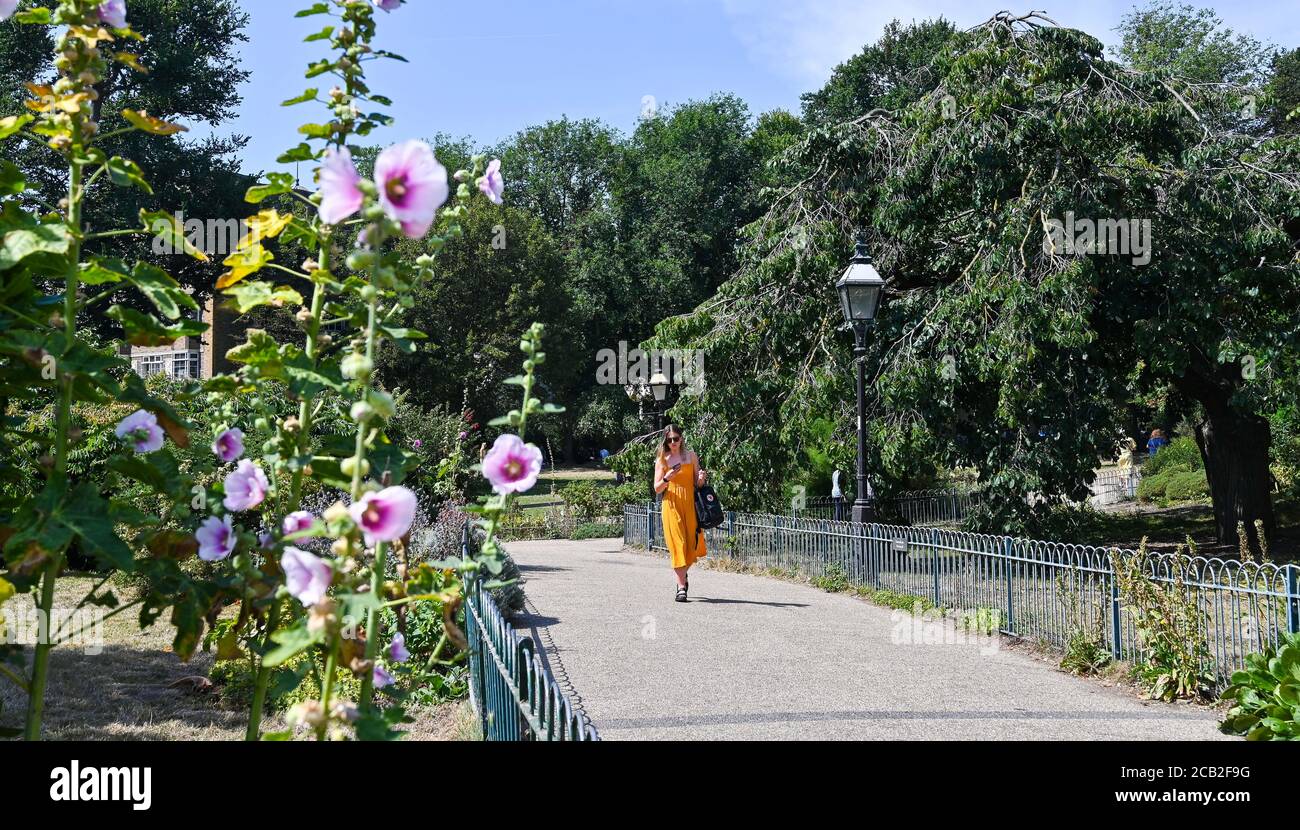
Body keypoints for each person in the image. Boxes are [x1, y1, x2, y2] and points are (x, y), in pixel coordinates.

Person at [653, 423, 707, 602]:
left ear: (681, 438)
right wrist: (668, 478)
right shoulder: (662, 460)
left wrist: (700, 479)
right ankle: (681, 586)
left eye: (676, 438)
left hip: (690, 504)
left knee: (691, 544)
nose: (673, 442)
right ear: (665, 441)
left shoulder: (690, 456)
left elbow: (696, 484)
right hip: (671, 505)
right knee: (678, 544)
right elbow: (657, 488)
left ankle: (682, 576)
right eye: (669, 440)